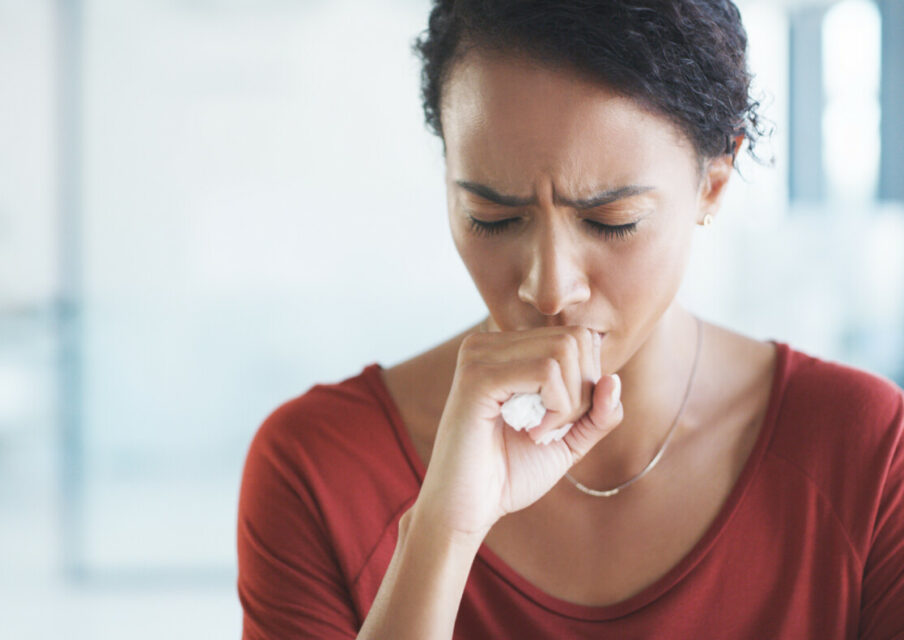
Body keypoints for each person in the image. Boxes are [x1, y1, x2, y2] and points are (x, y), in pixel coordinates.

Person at [237, 1, 904, 638]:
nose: (550, 287)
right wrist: (441, 533)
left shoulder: (867, 456)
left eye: (611, 222)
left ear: (713, 185)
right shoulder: (316, 469)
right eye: (491, 218)